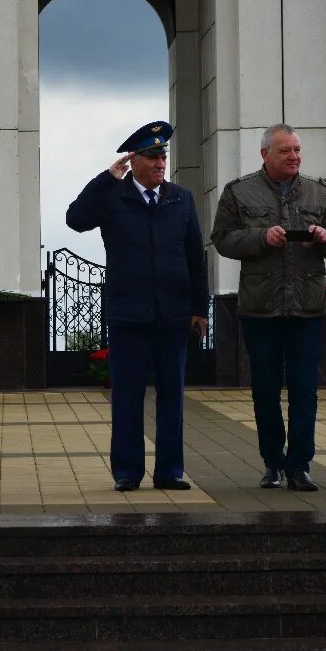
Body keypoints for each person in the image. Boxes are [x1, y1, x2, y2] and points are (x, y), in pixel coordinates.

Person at [66, 121, 210, 492]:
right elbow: (75, 219)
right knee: (128, 395)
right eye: (152, 156)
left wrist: (199, 309)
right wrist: (106, 178)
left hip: (173, 313)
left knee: (172, 396)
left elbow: (196, 256)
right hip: (129, 313)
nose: (161, 162)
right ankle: (128, 471)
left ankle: (170, 471)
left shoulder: (181, 198)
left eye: (163, 155)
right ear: (135, 160)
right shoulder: (113, 196)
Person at [210, 123, 326, 491]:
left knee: (305, 389)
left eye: (297, 150)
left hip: (307, 307)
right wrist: (260, 237)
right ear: (265, 154)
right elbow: (222, 239)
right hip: (261, 308)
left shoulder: (320, 193)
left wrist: (325, 238)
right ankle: (273, 462)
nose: (294, 157)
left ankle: (300, 464)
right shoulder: (239, 192)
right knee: (265, 389)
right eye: (285, 151)